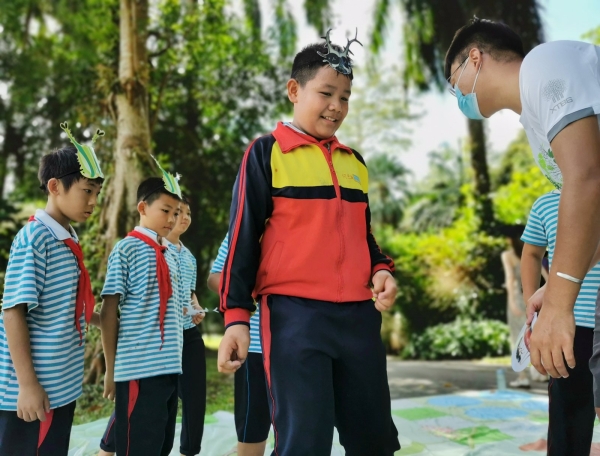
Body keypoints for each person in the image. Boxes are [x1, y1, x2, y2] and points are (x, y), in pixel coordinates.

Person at [217, 31, 401, 455]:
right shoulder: (266, 153)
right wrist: (236, 318)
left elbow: (365, 236)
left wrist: (381, 270)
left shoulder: (354, 163)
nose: (337, 106)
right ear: (294, 90)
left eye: (346, 97)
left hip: (359, 319)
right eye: (326, 93)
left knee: (374, 438)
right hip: (294, 318)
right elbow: (242, 239)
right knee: (305, 440)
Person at [444, 18, 600, 382]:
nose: (459, 97)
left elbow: (586, 177)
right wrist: (555, 288)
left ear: (474, 58)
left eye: (455, 84)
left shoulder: (544, 64)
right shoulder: (534, 122)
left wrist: (560, 304)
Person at [0, 123, 105, 456]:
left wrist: (103, 320)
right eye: (87, 191)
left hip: (61, 383)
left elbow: (65, 304)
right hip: (32, 392)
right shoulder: (35, 239)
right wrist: (28, 385)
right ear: (55, 186)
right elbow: (13, 312)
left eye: (97, 193)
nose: (93, 201)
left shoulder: (67, 237)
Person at [98, 195, 206, 456]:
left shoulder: (180, 256)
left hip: (175, 352)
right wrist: (111, 370)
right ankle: (105, 449)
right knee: (137, 430)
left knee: (162, 436)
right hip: (143, 359)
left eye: (181, 212)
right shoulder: (130, 248)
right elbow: (109, 309)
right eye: (170, 211)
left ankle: (189, 449)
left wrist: (193, 307)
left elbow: (187, 295)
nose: (177, 218)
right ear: (144, 208)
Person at [520, 189, 599, 455]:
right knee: (569, 417)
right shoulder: (545, 203)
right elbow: (531, 253)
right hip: (569, 327)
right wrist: (532, 309)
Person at [207, 234, 271, 456]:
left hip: (301, 345)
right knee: (252, 425)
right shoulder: (245, 229)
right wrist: (248, 287)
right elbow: (214, 278)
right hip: (254, 346)